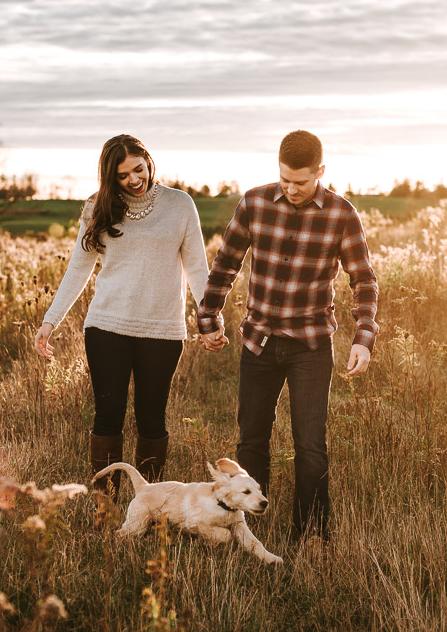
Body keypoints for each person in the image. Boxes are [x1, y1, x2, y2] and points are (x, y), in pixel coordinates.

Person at [197, 130, 379, 542]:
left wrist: (362, 336)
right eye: (285, 180)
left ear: (320, 172)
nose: (292, 189)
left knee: (311, 446)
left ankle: (311, 536)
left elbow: (363, 280)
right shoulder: (255, 203)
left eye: (301, 181)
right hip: (258, 341)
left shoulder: (341, 214)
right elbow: (225, 265)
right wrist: (209, 318)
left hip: (311, 345)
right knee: (251, 441)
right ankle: (246, 532)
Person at [35, 134, 209, 501]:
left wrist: (210, 320)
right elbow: (78, 270)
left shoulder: (180, 205)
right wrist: (51, 321)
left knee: (152, 420)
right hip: (107, 327)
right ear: (109, 177)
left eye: (138, 169)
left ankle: (149, 507)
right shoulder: (97, 208)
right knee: (107, 418)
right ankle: (105, 508)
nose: (133, 179)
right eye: (122, 175)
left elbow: (198, 268)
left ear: (149, 161)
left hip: (162, 330)